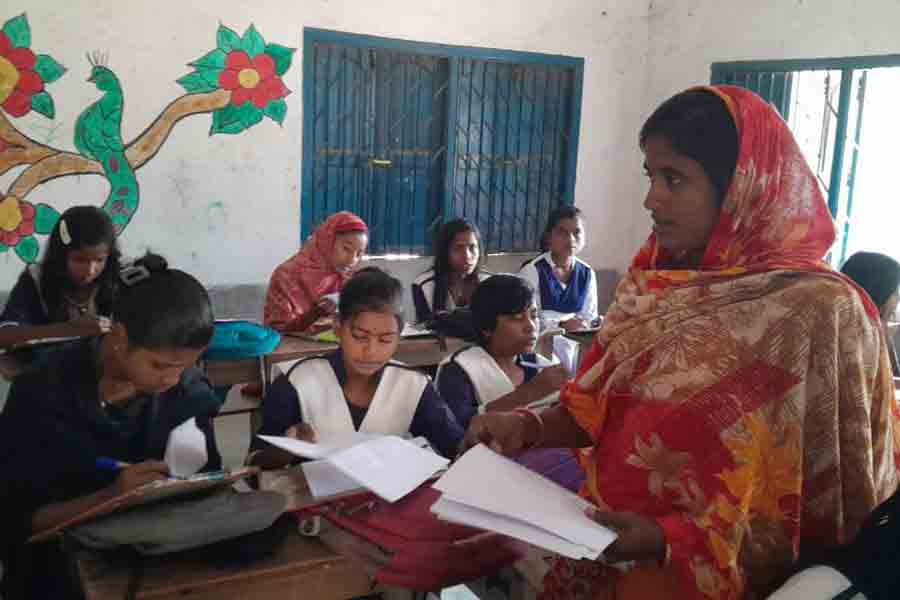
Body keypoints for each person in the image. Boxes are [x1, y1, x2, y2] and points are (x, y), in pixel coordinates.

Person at [463, 86, 900, 599]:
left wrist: (668, 538)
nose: (652, 199)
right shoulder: (654, 282)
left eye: (675, 179)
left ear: (740, 187)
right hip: (605, 550)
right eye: (651, 176)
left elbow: (829, 491)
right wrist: (527, 426)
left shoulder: (818, 314)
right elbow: (599, 406)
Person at [0, 253, 222, 599]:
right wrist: (112, 496)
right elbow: (17, 520)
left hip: (156, 566)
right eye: (160, 365)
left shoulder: (187, 391)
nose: (172, 378)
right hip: (54, 573)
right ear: (119, 338)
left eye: (185, 366)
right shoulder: (41, 394)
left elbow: (208, 484)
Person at [249, 267, 464, 467]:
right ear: (337, 328)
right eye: (360, 336)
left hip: (387, 503)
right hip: (316, 505)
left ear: (399, 336)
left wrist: (476, 436)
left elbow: (455, 449)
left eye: (385, 339)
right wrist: (284, 451)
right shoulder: (298, 382)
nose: (371, 351)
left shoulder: (413, 386)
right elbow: (252, 466)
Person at [435, 274, 568, 430]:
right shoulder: (460, 369)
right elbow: (457, 432)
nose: (531, 326)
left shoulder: (539, 366)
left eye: (534, 316)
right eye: (517, 318)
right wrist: (529, 393)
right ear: (487, 327)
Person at [0, 206, 120, 351]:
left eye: (100, 260)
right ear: (61, 255)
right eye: (80, 260)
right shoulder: (36, 279)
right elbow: (4, 335)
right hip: (47, 369)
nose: (90, 270)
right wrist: (67, 330)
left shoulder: (122, 277)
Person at [263, 211, 368, 333]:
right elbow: (277, 330)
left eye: (359, 253)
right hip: (296, 351)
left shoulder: (349, 278)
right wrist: (315, 313)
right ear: (327, 241)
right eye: (346, 248)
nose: (352, 259)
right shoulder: (287, 276)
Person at [519, 206, 598, 332]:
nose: (571, 239)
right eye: (562, 232)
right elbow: (525, 318)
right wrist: (560, 324)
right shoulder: (533, 271)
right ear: (549, 237)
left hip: (574, 346)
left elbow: (589, 317)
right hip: (540, 344)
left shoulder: (587, 273)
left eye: (577, 232)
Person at [412, 218, 491, 324]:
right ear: (445, 251)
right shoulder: (424, 284)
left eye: (472, 247)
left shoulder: (491, 283)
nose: (467, 256)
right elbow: (424, 331)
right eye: (458, 248)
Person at [841, 251, 900, 376]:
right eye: (895, 291)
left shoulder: (878, 331)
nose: (898, 298)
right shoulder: (855, 337)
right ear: (879, 291)